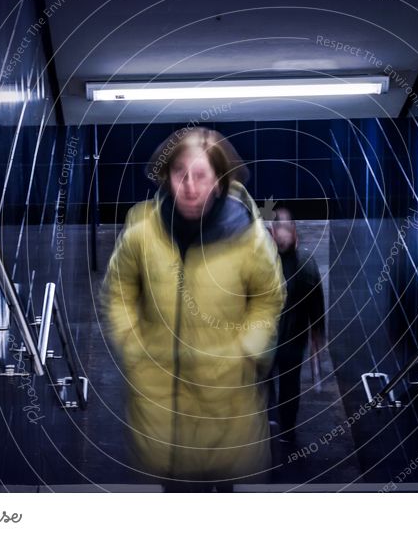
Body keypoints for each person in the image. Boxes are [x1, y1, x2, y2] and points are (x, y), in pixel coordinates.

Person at [101, 127, 285, 491]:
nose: (190, 185)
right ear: (167, 178)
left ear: (219, 180)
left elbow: (268, 294)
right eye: (179, 173)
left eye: (201, 175)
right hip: (159, 396)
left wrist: (248, 348)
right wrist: (133, 343)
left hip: (225, 393)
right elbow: (119, 289)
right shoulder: (142, 232)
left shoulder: (248, 238)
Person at [268, 207, 326, 444]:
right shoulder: (264, 261)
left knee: (284, 385)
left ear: (294, 231)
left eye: (284, 229)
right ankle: (279, 425)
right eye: (277, 230)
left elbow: (316, 306)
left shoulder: (305, 265)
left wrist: (317, 338)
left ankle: (283, 427)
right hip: (276, 339)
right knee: (272, 383)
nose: (280, 235)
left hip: (289, 340)